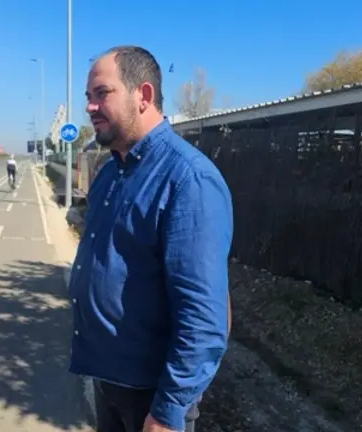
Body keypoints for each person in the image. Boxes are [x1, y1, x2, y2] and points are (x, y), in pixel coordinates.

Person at [68, 46, 233, 432]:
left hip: (150, 398)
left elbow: (204, 317)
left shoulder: (188, 179)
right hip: (108, 380)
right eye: (88, 97)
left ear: (142, 95)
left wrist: (169, 410)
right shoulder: (111, 172)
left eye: (102, 93)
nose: (90, 107)